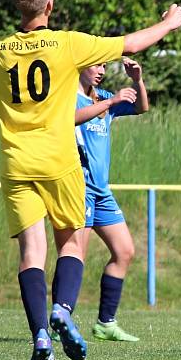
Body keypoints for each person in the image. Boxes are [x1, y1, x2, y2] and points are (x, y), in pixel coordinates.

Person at [0, 0, 181, 360]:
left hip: (17, 164)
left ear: (18, 8)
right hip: (59, 162)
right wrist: (170, 22)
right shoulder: (68, 44)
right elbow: (133, 42)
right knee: (71, 242)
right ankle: (62, 310)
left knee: (31, 253)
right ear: (49, 5)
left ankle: (40, 337)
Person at [73, 58, 149, 342]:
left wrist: (137, 80)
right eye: (96, 65)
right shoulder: (69, 98)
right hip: (79, 187)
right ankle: (59, 321)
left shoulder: (104, 98)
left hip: (102, 191)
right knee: (74, 256)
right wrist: (111, 101)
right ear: (79, 66)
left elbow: (142, 107)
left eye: (105, 66)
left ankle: (106, 323)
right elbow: (69, 119)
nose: (102, 71)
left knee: (124, 251)